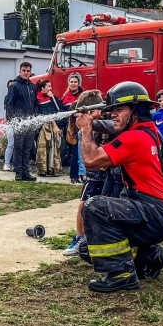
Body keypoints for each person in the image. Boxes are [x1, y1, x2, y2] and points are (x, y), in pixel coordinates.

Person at [75, 81, 163, 293]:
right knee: (88, 248)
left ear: (136, 111)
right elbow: (113, 126)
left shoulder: (134, 138)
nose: (113, 115)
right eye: (111, 111)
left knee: (94, 207)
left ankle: (122, 275)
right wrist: (95, 121)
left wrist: (85, 129)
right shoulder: (150, 131)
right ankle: (150, 256)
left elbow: (92, 160)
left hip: (152, 213)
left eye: (119, 110)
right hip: (158, 214)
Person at [63, 90, 107, 256]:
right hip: (93, 175)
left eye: (88, 113)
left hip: (107, 174)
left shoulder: (106, 125)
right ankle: (80, 239)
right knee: (83, 206)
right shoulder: (84, 128)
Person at [5, 62, 37, 181]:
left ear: (30, 72)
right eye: (24, 70)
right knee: (18, 147)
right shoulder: (14, 86)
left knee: (28, 147)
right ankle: (18, 172)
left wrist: (35, 118)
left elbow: (35, 105)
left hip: (30, 122)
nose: (26, 72)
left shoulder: (32, 87)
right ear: (20, 71)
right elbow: (9, 105)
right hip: (19, 122)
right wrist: (12, 121)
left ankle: (26, 171)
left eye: (28, 71)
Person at [35, 79, 64, 176]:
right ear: (43, 88)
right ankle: (42, 169)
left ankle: (52, 168)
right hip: (43, 127)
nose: (51, 88)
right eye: (48, 86)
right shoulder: (37, 99)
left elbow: (59, 109)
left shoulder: (52, 98)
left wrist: (53, 97)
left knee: (54, 148)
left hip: (53, 126)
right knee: (43, 147)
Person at [62, 72, 84, 183]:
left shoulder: (83, 96)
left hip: (83, 128)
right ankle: (74, 176)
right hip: (71, 129)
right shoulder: (65, 97)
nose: (73, 84)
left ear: (79, 83)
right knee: (74, 153)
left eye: (75, 82)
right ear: (68, 83)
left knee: (82, 152)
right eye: (71, 82)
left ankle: (81, 175)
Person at [3, 79, 15, 171]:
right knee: (11, 144)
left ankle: (15, 163)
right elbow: (7, 112)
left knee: (17, 145)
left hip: (17, 123)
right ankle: (7, 163)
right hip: (10, 124)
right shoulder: (7, 97)